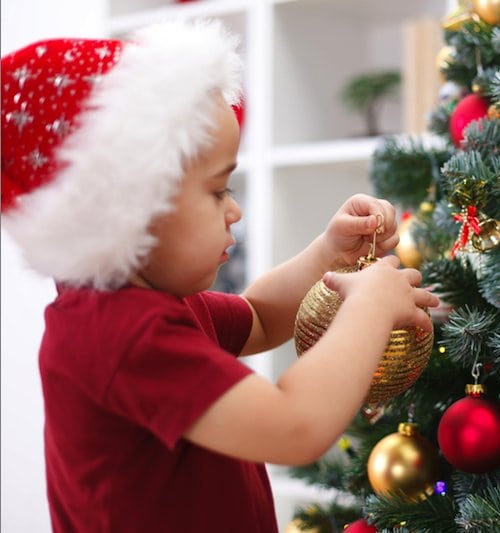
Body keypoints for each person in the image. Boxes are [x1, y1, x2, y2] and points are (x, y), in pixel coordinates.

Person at [0, 20, 438, 532]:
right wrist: (370, 307)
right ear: (130, 209)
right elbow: (293, 426)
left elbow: (255, 318)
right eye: (217, 191)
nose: (234, 211)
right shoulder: (118, 332)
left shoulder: (157, 300)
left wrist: (327, 254)